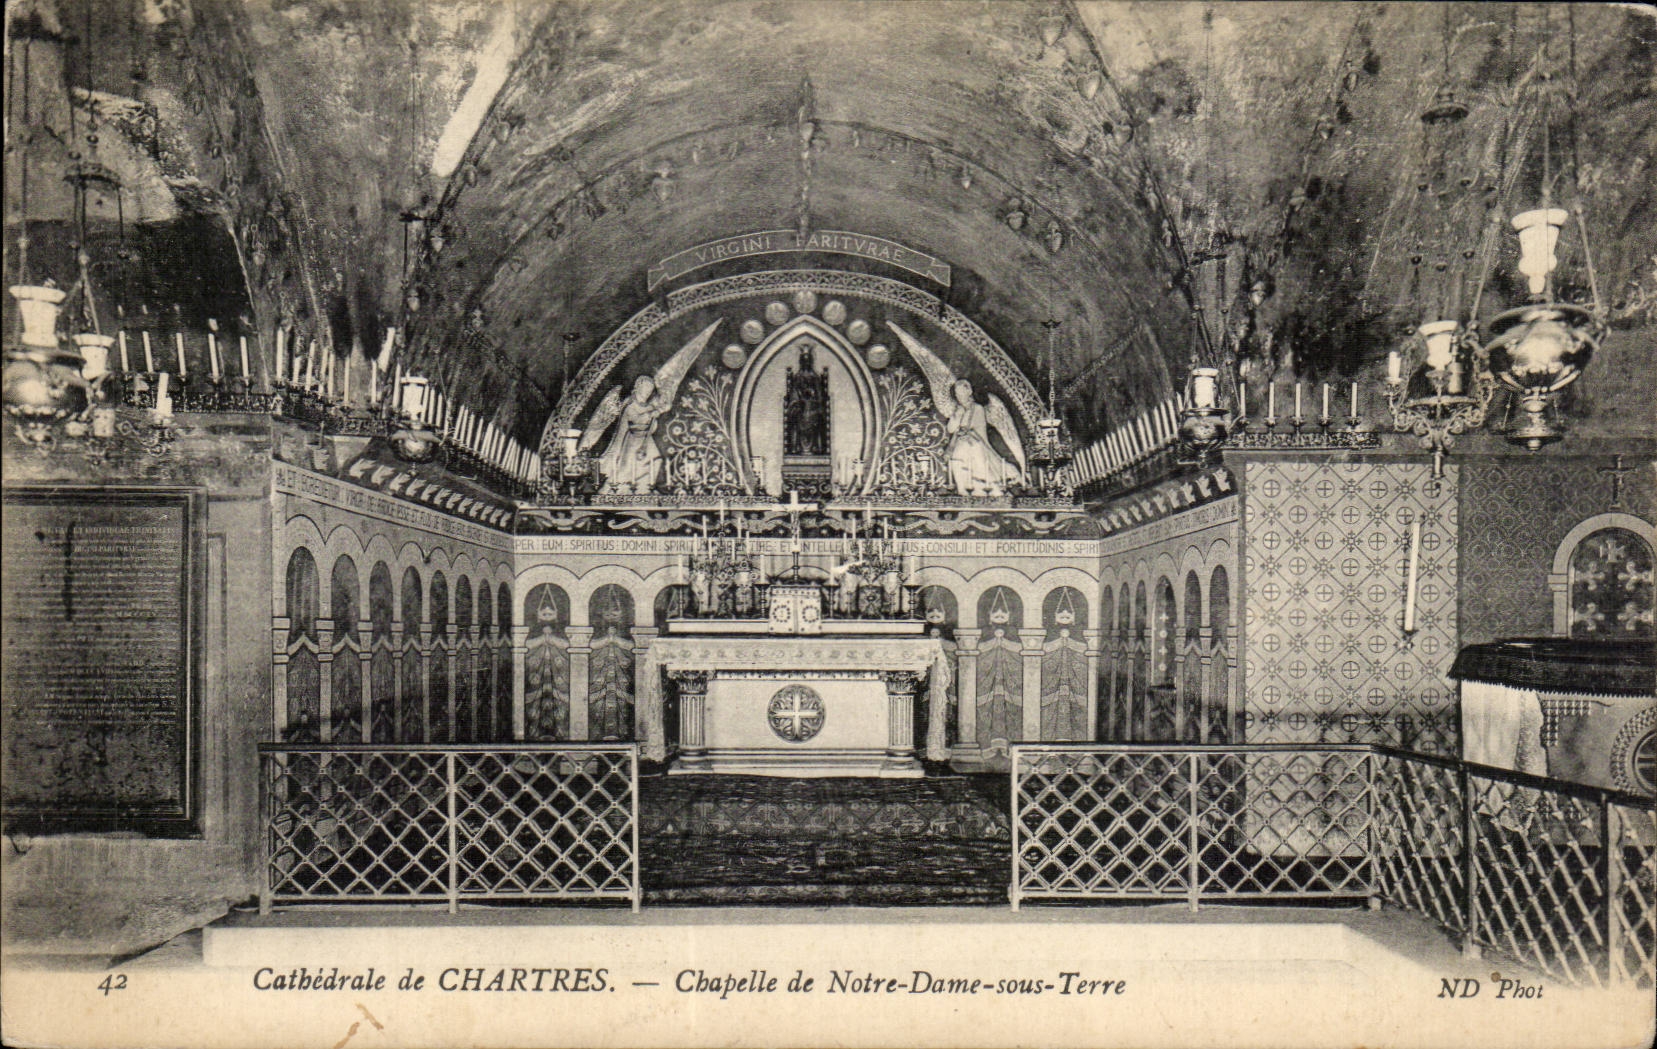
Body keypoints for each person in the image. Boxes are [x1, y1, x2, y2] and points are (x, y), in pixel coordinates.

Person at [944, 379, 1021, 496]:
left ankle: (987, 493)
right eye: (957, 394)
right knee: (957, 461)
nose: (959, 396)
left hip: (976, 443)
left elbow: (977, 428)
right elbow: (950, 429)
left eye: (961, 393)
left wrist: (965, 430)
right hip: (960, 443)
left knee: (979, 464)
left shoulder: (977, 408)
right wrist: (957, 416)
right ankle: (964, 492)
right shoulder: (958, 410)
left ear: (968, 392)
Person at [597, 375, 669, 493]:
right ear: (638, 387)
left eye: (650, 389)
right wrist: (651, 414)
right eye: (646, 387)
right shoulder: (630, 404)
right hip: (632, 439)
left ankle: (644, 490)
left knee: (656, 460)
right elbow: (633, 419)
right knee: (629, 467)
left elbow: (652, 427)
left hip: (646, 439)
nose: (648, 391)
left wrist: (653, 418)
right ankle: (618, 490)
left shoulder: (649, 406)